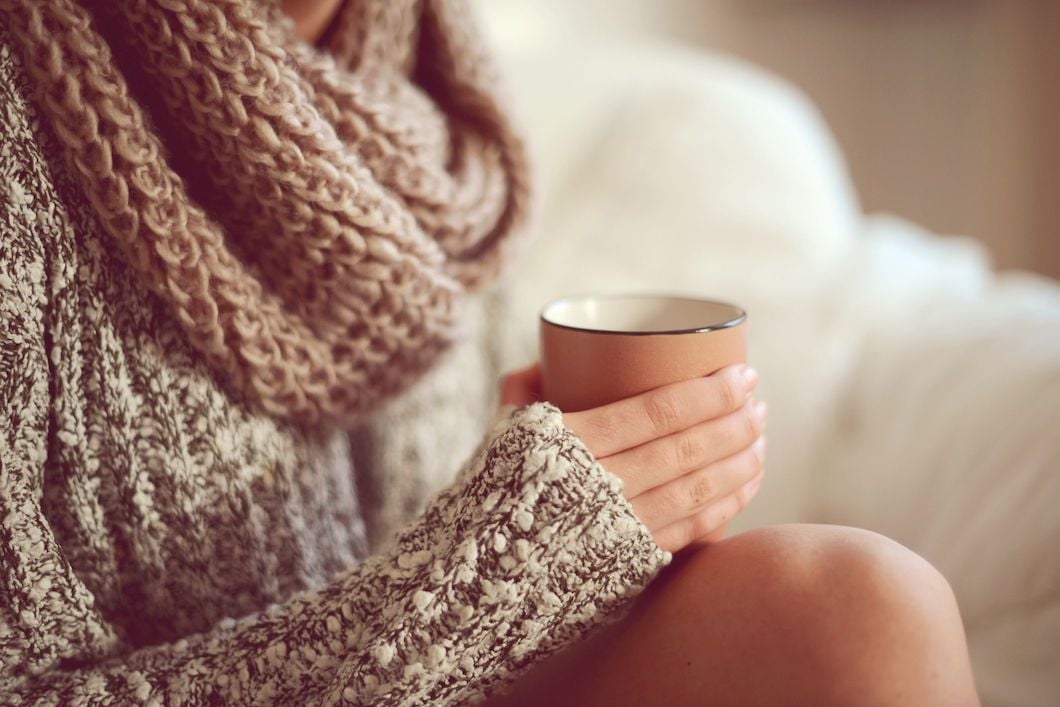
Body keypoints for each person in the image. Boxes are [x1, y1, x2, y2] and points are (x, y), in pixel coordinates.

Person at [0, 0, 979, 704]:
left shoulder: (441, 105)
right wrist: (509, 552)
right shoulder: (24, 116)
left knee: (862, 606)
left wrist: (552, 498)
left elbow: (408, 554)